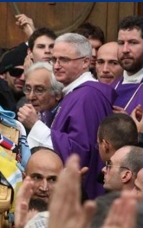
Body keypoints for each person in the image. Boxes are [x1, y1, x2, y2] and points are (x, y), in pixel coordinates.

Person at [27, 33, 115, 199]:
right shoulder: (76, 93)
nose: (57, 66)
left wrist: (36, 126)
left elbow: (80, 153)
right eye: (54, 60)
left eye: (64, 60)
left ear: (86, 62)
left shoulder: (87, 96)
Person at [17, 62, 64, 129]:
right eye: (28, 89)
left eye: (39, 90)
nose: (31, 97)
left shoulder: (65, 117)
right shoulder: (34, 113)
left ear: (57, 94)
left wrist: (35, 125)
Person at [111, 15, 143, 115]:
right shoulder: (112, 87)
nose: (125, 50)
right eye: (121, 43)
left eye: (133, 43)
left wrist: (129, 126)